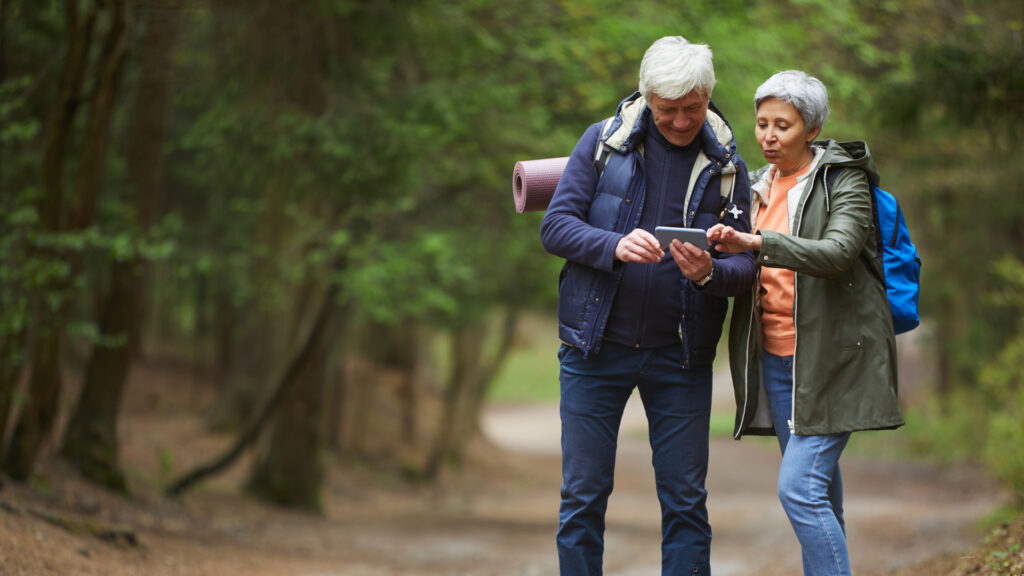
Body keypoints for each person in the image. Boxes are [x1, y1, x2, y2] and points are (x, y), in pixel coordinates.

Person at [540, 36, 755, 575]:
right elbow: (556, 226)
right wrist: (612, 244)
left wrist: (709, 274)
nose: (682, 121)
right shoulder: (602, 143)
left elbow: (748, 267)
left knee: (685, 504)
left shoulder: (728, 166)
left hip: (679, 357)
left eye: (693, 107)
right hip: (594, 350)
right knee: (582, 499)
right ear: (647, 96)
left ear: (707, 95)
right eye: (668, 110)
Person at [707, 70, 905, 576]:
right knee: (818, 493)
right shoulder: (753, 187)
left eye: (784, 126)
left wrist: (757, 243)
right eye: (762, 124)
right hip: (775, 359)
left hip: (835, 357)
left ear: (811, 130)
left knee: (797, 488)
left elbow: (839, 252)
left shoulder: (845, 178)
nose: (769, 136)